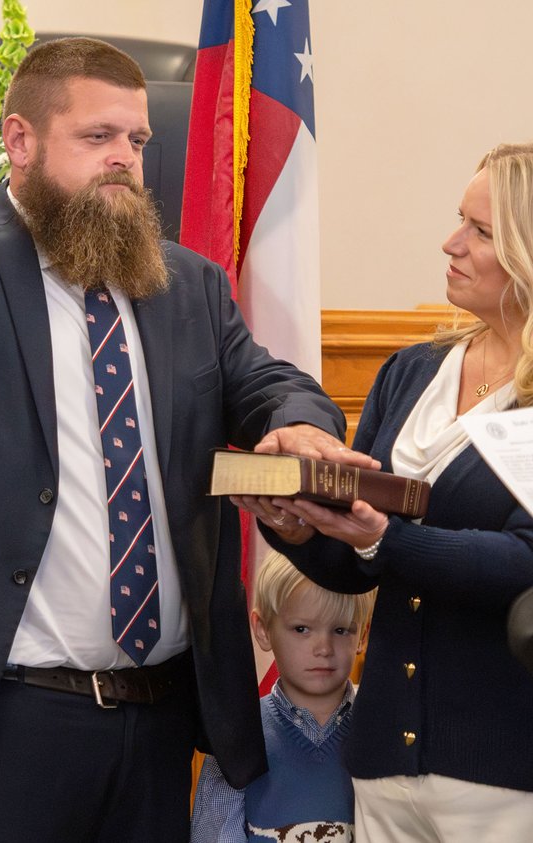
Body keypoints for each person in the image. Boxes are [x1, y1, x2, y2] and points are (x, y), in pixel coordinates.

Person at [0, 22, 370, 843]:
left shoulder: (186, 284)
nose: (126, 155)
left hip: (155, 726)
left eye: (138, 138)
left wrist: (300, 426)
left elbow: (272, 384)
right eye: (98, 136)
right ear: (20, 139)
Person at [237, 143, 533, 841]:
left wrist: (381, 535)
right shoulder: (411, 371)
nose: (450, 242)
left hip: (504, 766)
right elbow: (359, 564)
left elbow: (523, 563)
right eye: (459, 219)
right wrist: (298, 525)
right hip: (380, 764)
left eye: (481, 231)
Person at [191, 550, 375, 843]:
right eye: (302, 629)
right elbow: (214, 835)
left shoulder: (381, 730)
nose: (324, 648)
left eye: (340, 630)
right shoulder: (238, 734)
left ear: (363, 636)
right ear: (263, 629)